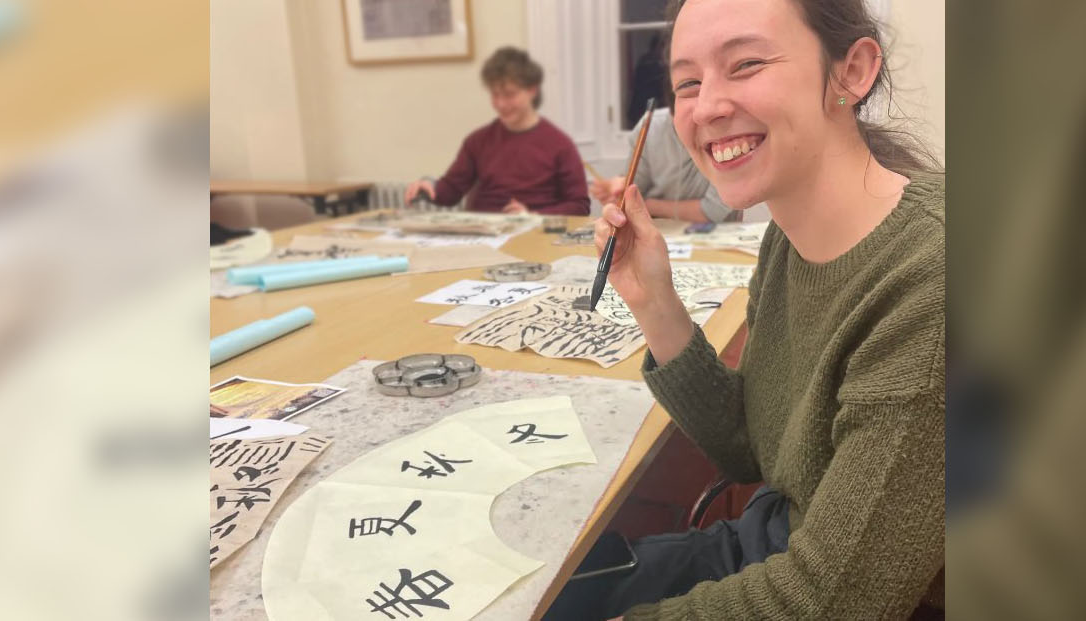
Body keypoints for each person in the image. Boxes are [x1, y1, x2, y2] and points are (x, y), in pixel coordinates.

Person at [586, 0, 945, 618]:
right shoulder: (787, 236)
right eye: (688, 83)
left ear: (851, 71)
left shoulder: (934, 279)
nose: (707, 108)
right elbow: (753, 450)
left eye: (746, 64)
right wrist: (654, 300)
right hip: (779, 542)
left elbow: (832, 601)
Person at [403, 47, 590, 216]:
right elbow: (452, 190)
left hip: (537, 235)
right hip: (483, 233)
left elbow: (579, 205)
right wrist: (428, 186)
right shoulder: (478, 141)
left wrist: (533, 216)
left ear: (532, 90)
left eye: (509, 95)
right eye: (495, 95)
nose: (501, 104)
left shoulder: (559, 144)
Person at [590, 107, 753, 224]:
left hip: (720, 241)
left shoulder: (727, 128)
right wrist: (619, 189)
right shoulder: (651, 128)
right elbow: (631, 190)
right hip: (658, 237)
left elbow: (713, 212)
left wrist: (647, 205)